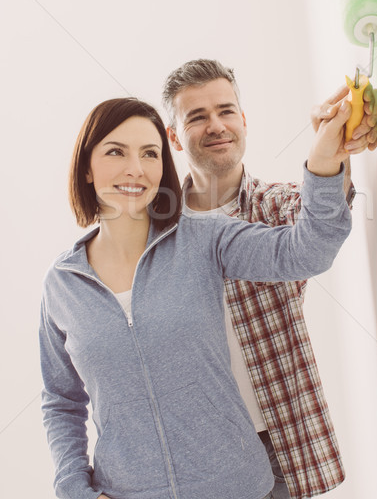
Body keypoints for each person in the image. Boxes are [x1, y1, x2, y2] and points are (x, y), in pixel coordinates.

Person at [40, 96, 352, 499]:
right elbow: (61, 400)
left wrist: (323, 162)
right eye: (116, 152)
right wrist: (74, 490)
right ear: (86, 166)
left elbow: (307, 250)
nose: (135, 168)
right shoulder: (63, 283)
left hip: (239, 487)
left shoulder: (204, 240)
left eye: (150, 154)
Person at [162, 59, 377, 499]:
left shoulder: (276, 207)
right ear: (173, 136)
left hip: (271, 447)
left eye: (225, 111)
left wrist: (332, 150)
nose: (216, 125)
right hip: (186, 454)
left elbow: (320, 220)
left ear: (243, 120)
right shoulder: (157, 232)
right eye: (197, 116)